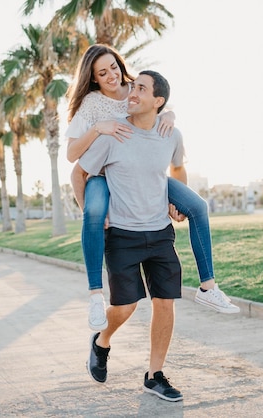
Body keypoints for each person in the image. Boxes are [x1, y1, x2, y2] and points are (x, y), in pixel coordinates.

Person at [65, 44, 239, 332]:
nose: (111, 76)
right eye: (102, 73)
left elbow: (156, 105)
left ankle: (208, 287)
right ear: (93, 78)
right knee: (93, 213)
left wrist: (169, 116)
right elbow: (74, 159)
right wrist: (99, 128)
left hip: (143, 174)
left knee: (197, 206)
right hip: (106, 175)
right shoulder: (92, 104)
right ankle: (95, 296)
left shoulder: (134, 91)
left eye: (114, 68)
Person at [72, 70, 185, 401]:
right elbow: (79, 172)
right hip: (122, 234)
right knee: (126, 306)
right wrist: (92, 215)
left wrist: (177, 200)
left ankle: (155, 374)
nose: (131, 93)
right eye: (132, 86)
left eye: (140, 89)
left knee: (165, 303)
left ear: (158, 101)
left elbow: (177, 168)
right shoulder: (113, 135)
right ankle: (102, 340)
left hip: (160, 233)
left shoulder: (171, 134)